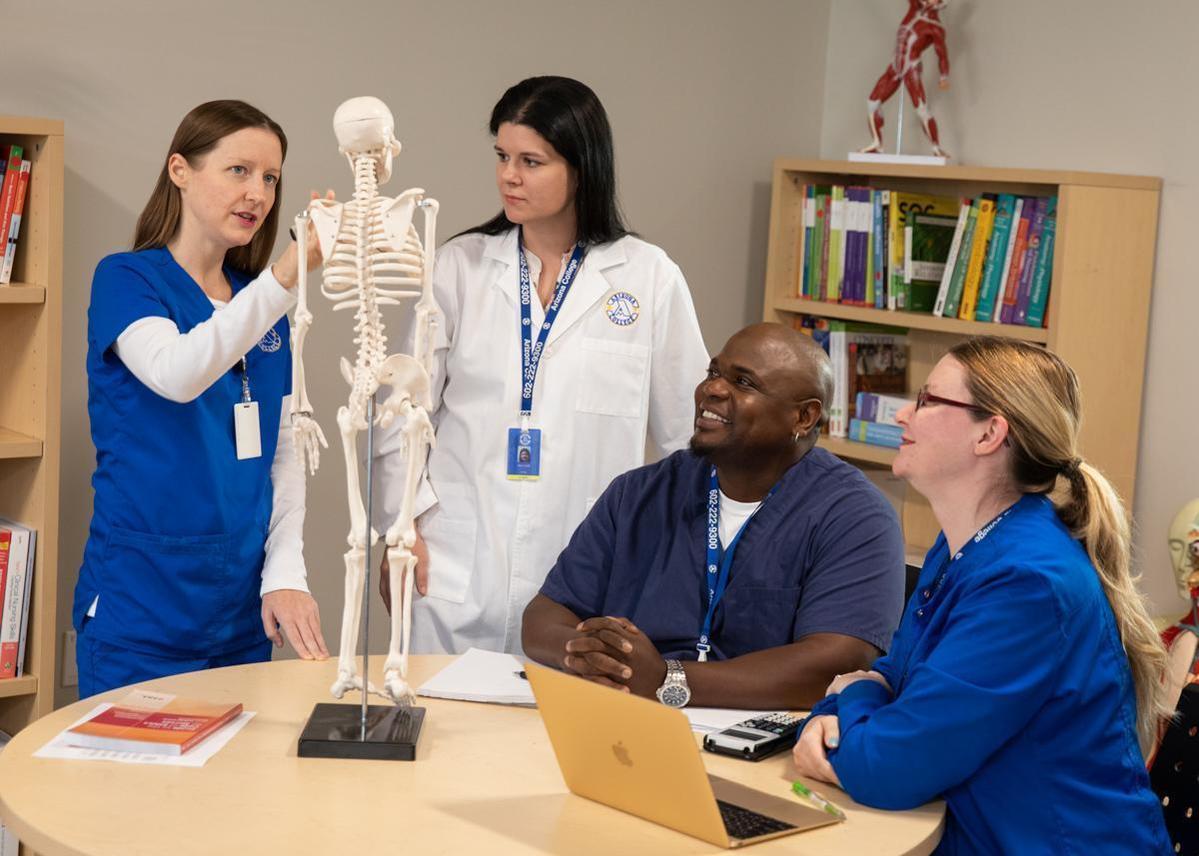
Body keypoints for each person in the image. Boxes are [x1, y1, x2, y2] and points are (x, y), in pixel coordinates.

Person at [792, 337, 1171, 853]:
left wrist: (848, 695)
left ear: (990, 433)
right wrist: (852, 704)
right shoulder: (962, 547)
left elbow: (887, 766)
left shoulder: (1028, 584)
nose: (904, 415)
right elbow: (896, 683)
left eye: (928, 401)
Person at [374, 76, 708, 654]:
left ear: (581, 168)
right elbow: (401, 413)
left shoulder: (647, 277)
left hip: (587, 575)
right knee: (444, 730)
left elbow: (689, 436)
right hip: (456, 561)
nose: (509, 175)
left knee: (556, 737)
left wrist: (670, 564)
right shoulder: (460, 267)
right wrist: (400, 529)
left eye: (532, 161)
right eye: (503, 156)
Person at [75, 100, 330, 698]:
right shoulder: (127, 280)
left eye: (271, 178)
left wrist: (285, 574)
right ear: (180, 170)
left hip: (240, 614)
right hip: (141, 611)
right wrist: (286, 277)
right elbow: (177, 371)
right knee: (127, 790)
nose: (258, 194)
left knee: (235, 792)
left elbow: (285, 451)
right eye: (239, 170)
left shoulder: (261, 303)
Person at [522, 324, 905, 709]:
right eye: (713, 372)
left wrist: (665, 679)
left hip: (761, 745)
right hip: (627, 718)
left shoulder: (856, 517)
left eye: (743, 382)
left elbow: (838, 662)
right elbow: (543, 616)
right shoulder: (638, 493)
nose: (713, 389)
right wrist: (585, 651)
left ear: (804, 417)